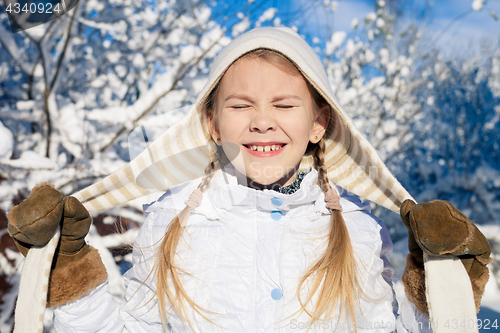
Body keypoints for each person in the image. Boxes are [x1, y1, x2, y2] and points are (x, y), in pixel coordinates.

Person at [7, 27, 492, 332]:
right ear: (213, 123)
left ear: (319, 124)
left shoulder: (360, 234)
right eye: (241, 106)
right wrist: (68, 271)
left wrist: (442, 288)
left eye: (284, 105)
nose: (262, 121)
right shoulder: (171, 222)